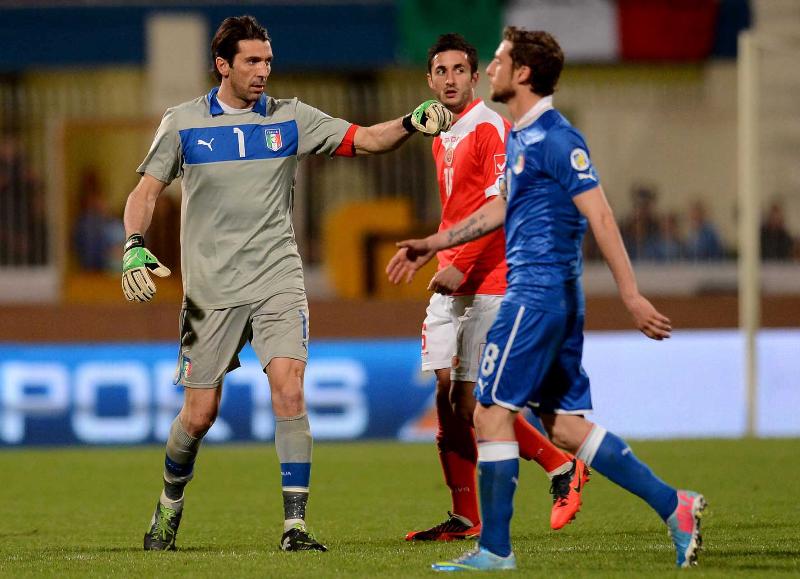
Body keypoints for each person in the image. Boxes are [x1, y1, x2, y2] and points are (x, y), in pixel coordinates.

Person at [121, 15, 453, 553]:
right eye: (251, 61)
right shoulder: (182, 123)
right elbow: (145, 192)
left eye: (268, 61)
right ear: (222, 65)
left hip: (277, 279)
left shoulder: (291, 117)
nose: (263, 71)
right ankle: (169, 504)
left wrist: (411, 122)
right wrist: (134, 243)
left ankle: (294, 527)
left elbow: (367, 140)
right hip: (210, 293)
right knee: (199, 415)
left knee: (290, 387)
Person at [393, 28, 706, 571]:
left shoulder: (558, 139)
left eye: (497, 61)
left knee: (488, 413)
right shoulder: (522, 135)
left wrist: (631, 295)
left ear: (522, 74)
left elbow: (600, 214)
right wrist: (434, 244)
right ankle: (673, 505)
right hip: (544, 297)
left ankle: (495, 549)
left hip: (535, 295)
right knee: (563, 427)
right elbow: (498, 210)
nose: (489, 69)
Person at [386, 33, 587, 542]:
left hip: (490, 279)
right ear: (429, 80)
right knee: (447, 397)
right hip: (451, 282)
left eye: (460, 70)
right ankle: (464, 517)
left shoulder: (490, 127)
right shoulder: (442, 136)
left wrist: (462, 264)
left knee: (473, 400)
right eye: (441, 71)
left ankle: (561, 465)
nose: (450, 78)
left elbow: (503, 206)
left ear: (475, 78)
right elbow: (460, 211)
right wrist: (443, 258)